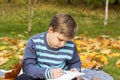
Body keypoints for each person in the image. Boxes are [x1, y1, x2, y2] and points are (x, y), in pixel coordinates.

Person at [15, 13, 81, 80]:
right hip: (40, 75)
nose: (62, 44)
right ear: (51, 30)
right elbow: (28, 67)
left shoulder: (71, 46)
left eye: (66, 41)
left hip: (61, 77)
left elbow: (75, 62)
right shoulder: (34, 42)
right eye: (60, 39)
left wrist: (75, 70)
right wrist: (48, 73)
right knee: (23, 78)